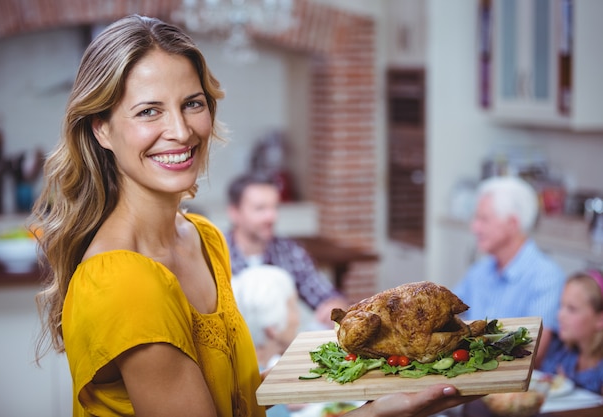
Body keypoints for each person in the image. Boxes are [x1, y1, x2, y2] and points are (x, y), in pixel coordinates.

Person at [31, 14, 478, 417]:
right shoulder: (121, 280)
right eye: (149, 111)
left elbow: (234, 400)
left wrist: (377, 389)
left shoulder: (203, 238)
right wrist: (385, 413)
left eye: (193, 103)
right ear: (102, 128)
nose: (182, 131)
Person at [453, 175, 566, 368]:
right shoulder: (480, 270)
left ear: (512, 223)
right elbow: (450, 317)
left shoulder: (546, 277)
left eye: (484, 219)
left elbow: (532, 354)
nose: (474, 227)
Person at [225, 172, 347, 328]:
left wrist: (334, 304)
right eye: (260, 208)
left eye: (274, 207)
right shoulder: (214, 252)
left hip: (282, 347)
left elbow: (324, 295)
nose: (271, 216)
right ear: (234, 212)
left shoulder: (288, 250)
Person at [231, 265, 301, 417]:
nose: (297, 319)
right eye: (293, 308)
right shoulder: (259, 388)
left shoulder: (241, 371)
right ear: (272, 328)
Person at [540, 270, 603, 395]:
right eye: (561, 306)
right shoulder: (561, 353)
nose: (559, 316)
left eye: (572, 309)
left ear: (600, 320)